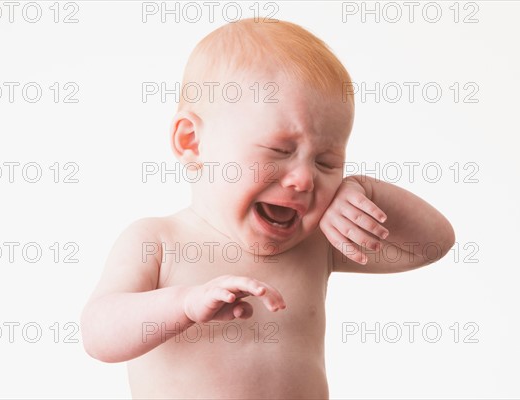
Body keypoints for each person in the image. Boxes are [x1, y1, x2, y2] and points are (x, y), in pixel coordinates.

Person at [81, 18, 455, 399]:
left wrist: (365, 190)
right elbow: (98, 333)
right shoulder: (158, 240)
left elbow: (432, 244)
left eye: (326, 162)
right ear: (192, 141)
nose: (304, 180)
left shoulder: (314, 242)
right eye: (280, 151)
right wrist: (184, 303)